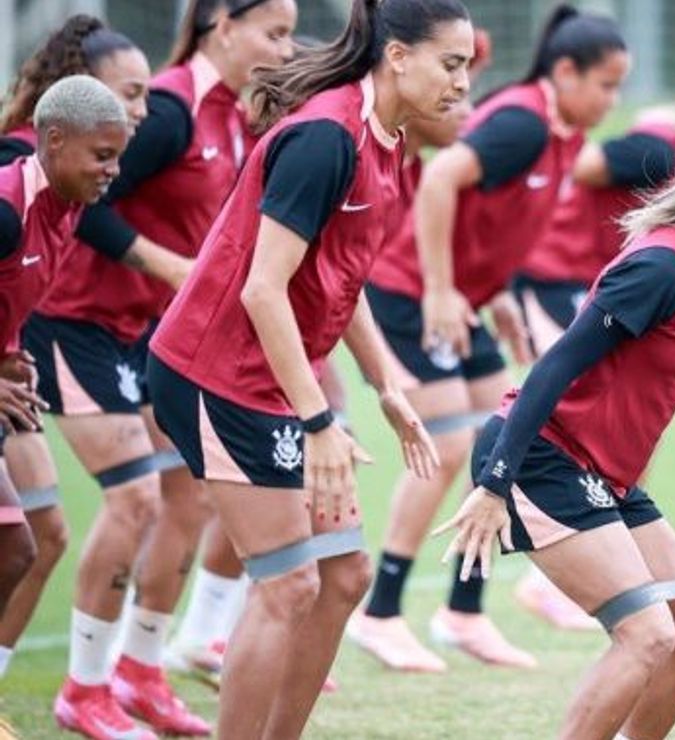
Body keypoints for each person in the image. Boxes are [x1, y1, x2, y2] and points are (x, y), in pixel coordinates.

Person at [437, 94, 675, 740]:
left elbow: (664, 350)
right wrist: (494, 483)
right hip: (541, 458)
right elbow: (553, 368)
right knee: (646, 633)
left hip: (604, 473)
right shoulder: (663, 265)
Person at [147, 0, 466, 735]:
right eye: (451, 64)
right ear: (397, 57)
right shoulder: (327, 136)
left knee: (343, 575)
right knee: (288, 583)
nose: (461, 85)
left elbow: (337, 278)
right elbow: (263, 287)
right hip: (215, 375)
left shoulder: (382, 137)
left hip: (267, 381)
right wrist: (319, 419)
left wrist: (387, 383)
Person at [31, 4, 298, 737]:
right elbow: (79, 198)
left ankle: (140, 670)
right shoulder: (173, 109)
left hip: (141, 332)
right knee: (135, 500)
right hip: (76, 319)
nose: (285, 47)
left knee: (192, 492)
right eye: (274, 32)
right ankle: (83, 688)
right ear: (221, 26)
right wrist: (171, 267)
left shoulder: (225, 114)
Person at [351, 3, 627, 670]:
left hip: (464, 298)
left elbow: (490, 217)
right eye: (607, 84)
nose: (612, 100)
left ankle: (463, 611)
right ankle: (380, 611)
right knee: (444, 447)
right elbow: (443, 180)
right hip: (410, 290)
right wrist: (444, 288)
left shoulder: (558, 129)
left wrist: (494, 291)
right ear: (565, 71)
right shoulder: (523, 121)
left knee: (496, 440)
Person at [505, 36, 675, 631]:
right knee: (556, 415)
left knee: (615, 434)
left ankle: (582, 554)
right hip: (562, 277)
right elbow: (577, 168)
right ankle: (537, 577)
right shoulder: (659, 154)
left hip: (630, 295)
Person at [0, 15, 150, 680]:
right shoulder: (5, 210)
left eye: (117, 156)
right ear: (53, 139)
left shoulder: (65, 207)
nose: (113, 172)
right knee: (15, 544)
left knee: (33, 540)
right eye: (101, 157)